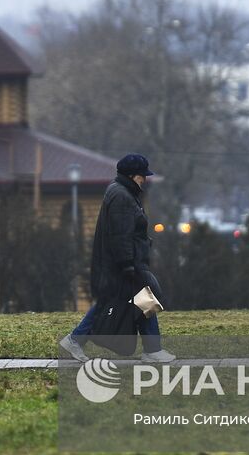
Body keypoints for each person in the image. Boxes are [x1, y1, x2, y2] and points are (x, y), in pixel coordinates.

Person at [58, 153, 175, 363]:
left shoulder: (122, 192)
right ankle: (151, 350)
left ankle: (77, 339)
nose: (144, 179)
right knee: (139, 300)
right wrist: (127, 264)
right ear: (132, 175)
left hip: (125, 262)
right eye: (142, 175)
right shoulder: (122, 196)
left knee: (136, 301)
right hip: (125, 264)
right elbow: (121, 234)